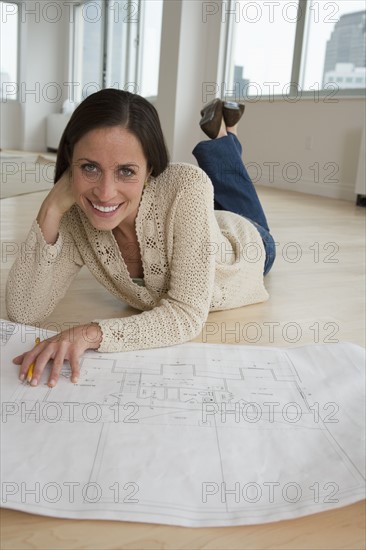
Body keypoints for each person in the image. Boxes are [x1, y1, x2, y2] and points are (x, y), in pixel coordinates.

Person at [6, 89, 276, 387]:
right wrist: (52, 206)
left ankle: (229, 135)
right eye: (89, 167)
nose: (105, 192)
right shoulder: (74, 216)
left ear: (150, 168)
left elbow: (185, 315)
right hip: (204, 224)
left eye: (126, 171)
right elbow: (23, 310)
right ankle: (227, 131)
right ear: (70, 161)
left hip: (246, 243)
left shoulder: (186, 184)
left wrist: (90, 333)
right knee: (226, 191)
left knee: (237, 193)